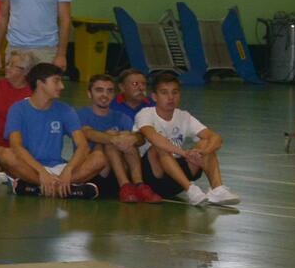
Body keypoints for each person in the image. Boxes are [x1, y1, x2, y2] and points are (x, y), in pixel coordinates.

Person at [0, 64, 100, 199]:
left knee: (99, 157)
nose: (62, 86)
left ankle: (38, 188)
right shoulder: (18, 109)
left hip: (59, 167)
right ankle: (65, 189)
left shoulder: (66, 110)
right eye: (56, 81)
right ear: (40, 83)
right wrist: (41, 171)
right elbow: (16, 146)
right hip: (31, 168)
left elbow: (82, 145)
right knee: (6, 155)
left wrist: (68, 170)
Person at [135, 72, 238, 206]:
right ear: (154, 96)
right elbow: (154, 138)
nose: (171, 97)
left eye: (175, 92)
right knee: (158, 146)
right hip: (152, 177)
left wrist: (203, 153)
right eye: (164, 93)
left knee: (205, 142)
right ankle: (191, 189)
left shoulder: (184, 116)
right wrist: (184, 153)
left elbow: (215, 137)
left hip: (175, 176)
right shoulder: (145, 114)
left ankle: (217, 189)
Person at [77, 72, 158, 203]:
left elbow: (141, 138)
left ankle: (138, 185)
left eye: (109, 91)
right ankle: (125, 185)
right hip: (94, 172)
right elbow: (87, 133)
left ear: (113, 94)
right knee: (112, 137)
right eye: (99, 90)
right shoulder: (80, 114)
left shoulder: (122, 117)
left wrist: (133, 138)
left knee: (127, 137)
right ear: (89, 93)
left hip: (119, 170)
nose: (105, 95)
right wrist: (113, 138)